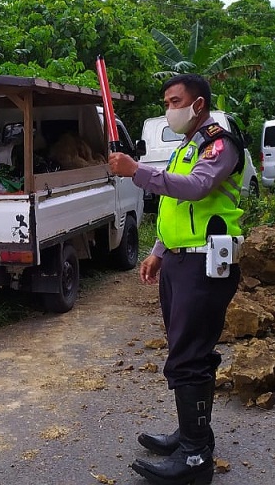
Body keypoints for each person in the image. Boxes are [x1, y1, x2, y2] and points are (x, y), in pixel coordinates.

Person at [108, 74, 244, 485]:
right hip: (182, 263)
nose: (169, 108)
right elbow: (173, 206)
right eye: (166, 101)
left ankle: (195, 457)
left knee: (189, 356)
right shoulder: (186, 146)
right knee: (187, 351)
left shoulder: (219, 143)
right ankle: (192, 436)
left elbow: (197, 189)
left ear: (198, 104)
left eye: (174, 100)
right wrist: (157, 252)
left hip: (208, 264)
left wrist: (136, 172)